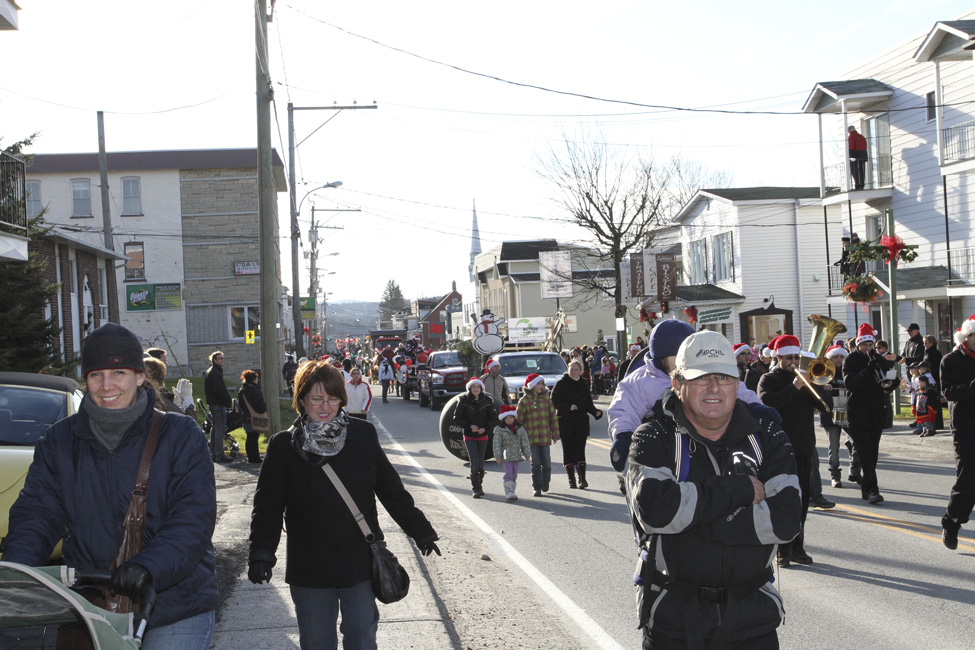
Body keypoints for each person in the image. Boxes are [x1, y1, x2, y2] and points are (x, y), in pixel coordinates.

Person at [4, 322, 218, 648]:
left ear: (140, 376)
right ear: (86, 380)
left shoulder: (180, 435)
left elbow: (194, 517)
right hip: (91, 604)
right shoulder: (59, 441)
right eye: (95, 375)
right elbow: (37, 514)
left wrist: (148, 566)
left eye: (118, 373)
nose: (106, 385)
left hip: (173, 602)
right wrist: (17, 576)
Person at [625, 330, 801, 649]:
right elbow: (657, 513)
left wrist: (692, 517)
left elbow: (785, 522)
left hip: (753, 621)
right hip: (673, 621)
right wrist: (740, 490)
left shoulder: (769, 436)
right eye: (701, 378)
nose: (714, 388)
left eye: (723, 377)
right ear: (677, 385)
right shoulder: (652, 437)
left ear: (737, 383)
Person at [248, 361, 440, 648]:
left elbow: (391, 490)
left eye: (332, 398)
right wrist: (261, 553)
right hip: (309, 565)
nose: (325, 407)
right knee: (316, 642)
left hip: (359, 561)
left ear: (342, 399)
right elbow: (268, 507)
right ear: (301, 400)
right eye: (316, 398)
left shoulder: (362, 435)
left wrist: (421, 530)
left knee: (362, 637)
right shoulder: (284, 446)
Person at [609, 320, 775, 473]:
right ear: (661, 358)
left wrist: (755, 407)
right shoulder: (639, 382)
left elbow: (736, 390)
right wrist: (623, 436)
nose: (683, 363)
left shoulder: (703, 371)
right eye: (677, 358)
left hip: (703, 438)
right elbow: (624, 410)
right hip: (663, 443)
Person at [758, 335, 832, 567]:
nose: (793, 361)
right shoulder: (768, 379)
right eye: (789, 357)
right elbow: (768, 403)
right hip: (779, 450)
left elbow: (825, 406)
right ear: (778, 357)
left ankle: (797, 548)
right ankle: (782, 549)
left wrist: (819, 386)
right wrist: (795, 387)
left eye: (796, 357)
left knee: (801, 501)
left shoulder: (807, 379)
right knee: (782, 500)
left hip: (804, 447)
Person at [844, 324, 897, 505]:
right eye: (864, 345)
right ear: (858, 344)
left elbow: (887, 383)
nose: (868, 349)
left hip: (876, 413)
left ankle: (866, 489)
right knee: (866, 452)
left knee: (873, 454)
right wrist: (867, 370)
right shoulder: (850, 360)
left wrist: (893, 381)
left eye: (870, 345)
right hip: (858, 414)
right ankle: (873, 490)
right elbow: (851, 384)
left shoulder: (878, 359)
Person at [551, 359, 603, 489]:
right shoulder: (561, 383)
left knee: (580, 451)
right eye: (571, 369)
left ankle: (582, 479)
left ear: (580, 371)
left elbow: (588, 404)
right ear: (568, 370)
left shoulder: (584, 384)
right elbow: (554, 401)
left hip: (581, 423)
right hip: (565, 422)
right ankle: (571, 480)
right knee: (568, 451)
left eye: (576, 369)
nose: (573, 372)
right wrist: (568, 406)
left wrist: (595, 412)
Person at [517, 373, 560, 497]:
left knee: (546, 461)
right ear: (532, 386)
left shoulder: (546, 399)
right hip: (531, 438)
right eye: (538, 383)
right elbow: (519, 421)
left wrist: (555, 433)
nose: (541, 386)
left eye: (542, 383)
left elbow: (552, 417)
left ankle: (545, 480)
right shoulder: (524, 401)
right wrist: (519, 436)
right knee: (535, 462)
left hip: (545, 437)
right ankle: (537, 487)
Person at [453, 377, 497, 498]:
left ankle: (479, 484)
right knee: (474, 461)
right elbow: (457, 418)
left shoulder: (488, 400)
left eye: (478, 386)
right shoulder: (463, 400)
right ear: (469, 388)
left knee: (481, 462)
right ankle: (475, 488)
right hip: (469, 435)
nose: (476, 389)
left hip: (483, 435)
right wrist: (469, 427)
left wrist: (485, 428)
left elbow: (493, 418)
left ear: (481, 388)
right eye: (473, 386)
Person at [492, 405, 531, 501]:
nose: (509, 420)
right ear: (503, 419)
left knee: (514, 474)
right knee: (508, 472)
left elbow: (525, 441)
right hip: (506, 455)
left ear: (514, 417)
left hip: (516, 455)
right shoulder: (499, 430)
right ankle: (508, 491)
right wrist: (498, 456)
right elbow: (497, 443)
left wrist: (527, 454)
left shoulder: (520, 428)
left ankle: (512, 490)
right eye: (506, 418)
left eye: (510, 417)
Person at [204, 350, 233, 463]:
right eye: (220, 358)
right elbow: (218, 390)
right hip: (218, 404)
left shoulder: (213, 371)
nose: (222, 359)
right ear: (214, 360)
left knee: (215, 428)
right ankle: (219, 455)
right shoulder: (214, 372)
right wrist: (226, 400)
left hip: (214, 403)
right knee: (219, 430)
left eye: (223, 357)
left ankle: (214, 453)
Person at [238, 369, 268, 464]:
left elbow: (241, 404)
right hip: (255, 417)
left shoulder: (241, 390)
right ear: (254, 379)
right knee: (255, 437)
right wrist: (263, 409)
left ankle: (250, 457)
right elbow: (261, 404)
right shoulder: (255, 390)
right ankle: (255, 457)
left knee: (249, 437)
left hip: (246, 415)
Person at [848, 125, 868, 190]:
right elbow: (865, 146)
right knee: (862, 170)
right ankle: (862, 184)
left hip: (856, 156)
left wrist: (850, 154)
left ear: (850, 130)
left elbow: (851, 146)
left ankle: (857, 185)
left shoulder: (851, 136)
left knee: (855, 171)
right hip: (863, 155)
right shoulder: (861, 136)